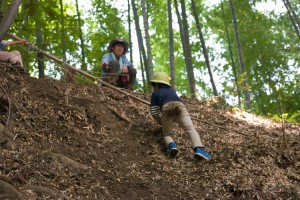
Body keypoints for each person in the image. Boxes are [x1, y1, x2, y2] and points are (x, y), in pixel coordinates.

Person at [149, 72, 212, 160]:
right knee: (190, 128)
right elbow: (174, 102)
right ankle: (199, 149)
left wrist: (161, 121)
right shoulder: (172, 91)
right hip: (179, 106)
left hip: (166, 108)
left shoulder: (155, 94)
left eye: (153, 85)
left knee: (166, 134)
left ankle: (172, 146)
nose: (153, 87)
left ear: (156, 84)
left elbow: (154, 111)